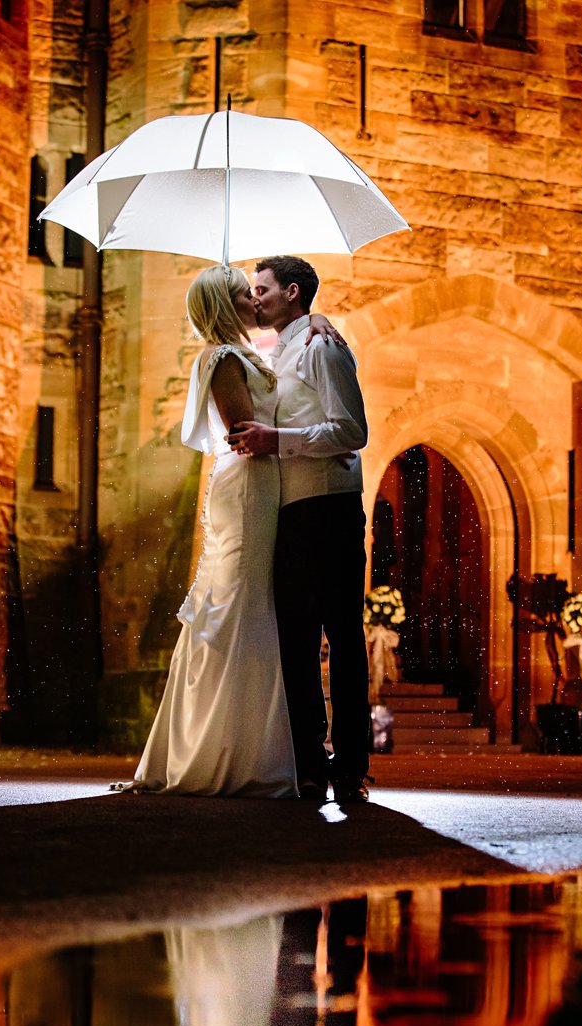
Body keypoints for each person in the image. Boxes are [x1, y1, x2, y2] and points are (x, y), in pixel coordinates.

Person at [131, 264, 340, 796]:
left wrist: (315, 320)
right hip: (251, 487)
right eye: (243, 292)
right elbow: (246, 434)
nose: (253, 298)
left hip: (262, 484)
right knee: (242, 602)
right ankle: (233, 750)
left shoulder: (246, 353)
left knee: (252, 603)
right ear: (227, 305)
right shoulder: (223, 358)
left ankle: (248, 740)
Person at [226, 256, 371, 803]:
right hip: (290, 513)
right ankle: (309, 763)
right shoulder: (282, 350)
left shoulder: (321, 347)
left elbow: (351, 429)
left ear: (292, 293)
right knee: (296, 640)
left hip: (330, 511)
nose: (255, 298)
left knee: (344, 638)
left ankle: (351, 765)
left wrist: (276, 439)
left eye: (262, 289)